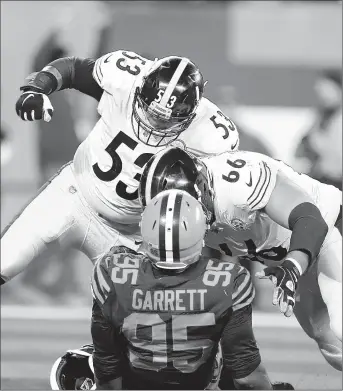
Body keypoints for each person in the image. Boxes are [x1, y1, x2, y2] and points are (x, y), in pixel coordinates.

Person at [1, 50, 240, 287]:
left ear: (190, 114)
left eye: (166, 119)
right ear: (141, 90)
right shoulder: (125, 78)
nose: (154, 123)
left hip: (129, 234)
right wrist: (37, 89)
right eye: (150, 111)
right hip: (72, 194)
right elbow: (72, 69)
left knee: (151, 311)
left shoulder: (212, 136)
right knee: (5, 260)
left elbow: (215, 200)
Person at [50, 189, 293, 390]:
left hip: (137, 383)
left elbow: (108, 369)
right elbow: (247, 377)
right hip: (199, 383)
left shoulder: (112, 272)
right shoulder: (230, 280)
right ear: (200, 232)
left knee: (76, 366)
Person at [139, 146, 342, 371]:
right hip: (285, 257)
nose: (179, 220)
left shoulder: (237, 184)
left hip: (326, 228)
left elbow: (310, 220)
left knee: (340, 327)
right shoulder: (172, 220)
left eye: (185, 209)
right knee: (333, 348)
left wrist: (293, 267)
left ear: (202, 187)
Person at [295, 69, 342, 190]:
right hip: (322, 179)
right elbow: (304, 143)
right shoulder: (321, 116)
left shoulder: (337, 118)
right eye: (320, 91)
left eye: (327, 90)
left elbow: (334, 151)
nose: (323, 96)